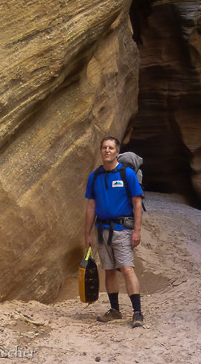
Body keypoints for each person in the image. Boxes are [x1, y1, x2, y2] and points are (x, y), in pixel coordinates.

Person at [85, 136, 144, 328]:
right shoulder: (95, 176)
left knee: (127, 269)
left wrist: (137, 230)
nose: (107, 150)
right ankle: (115, 310)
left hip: (123, 230)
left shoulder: (127, 174)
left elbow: (137, 203)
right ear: (101, 151)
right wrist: (87, 234)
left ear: (117, 152)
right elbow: (91, 206)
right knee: (109, 270)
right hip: (102, 230)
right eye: (104, 147)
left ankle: (137, 312)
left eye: (111, 148)